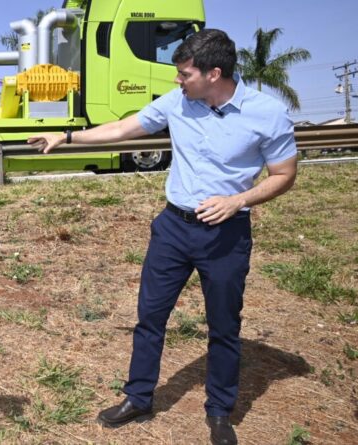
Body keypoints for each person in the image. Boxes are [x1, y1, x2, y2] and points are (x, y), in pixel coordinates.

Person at [28, 29, 297, 445]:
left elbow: (284, 174)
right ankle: (138, 398)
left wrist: (238, 200)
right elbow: (123, 128)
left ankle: (220, 411)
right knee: (150, 316)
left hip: (226, 235)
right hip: (173, 228)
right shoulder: (177, 102)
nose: (177, 80)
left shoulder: (268, 113)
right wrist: (65, 137)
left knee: (224, 326)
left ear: (214, 74)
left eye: (185, 73)